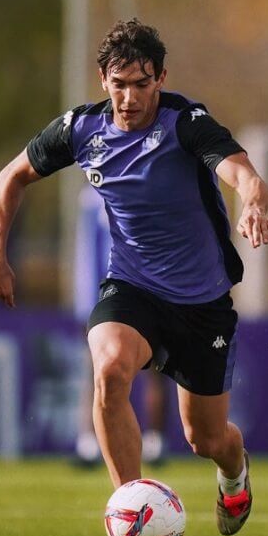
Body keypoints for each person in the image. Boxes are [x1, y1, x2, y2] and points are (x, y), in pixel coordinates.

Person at [0, 18, 268, 536]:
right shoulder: (82, 129)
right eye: (119, 83)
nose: (129, 97)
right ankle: (129, 513)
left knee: (206, 440)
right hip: (132, 285)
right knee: (110, 369)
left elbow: (241, 172)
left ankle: (235, 474)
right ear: (103, 80)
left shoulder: (185, 122)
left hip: (201, 303)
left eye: (141, 84)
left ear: (161, 79)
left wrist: (254, 200)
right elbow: (11, 177)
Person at [71, 187, 174, 468]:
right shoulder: (94, 196)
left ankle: (154, 440)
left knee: (156, 368)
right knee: (99, 369)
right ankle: (90, 443)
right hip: (110, 295)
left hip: (153, 292)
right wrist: (85, 303)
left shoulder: (156, 186)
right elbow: (88, 252)